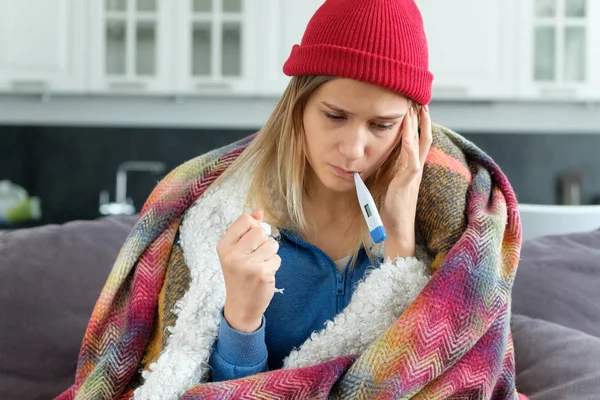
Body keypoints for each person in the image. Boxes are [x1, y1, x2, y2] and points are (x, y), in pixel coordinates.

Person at [58, 1, 527, 399]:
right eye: (335, 115)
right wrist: (242, 318)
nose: (354, 148)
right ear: (297, 108)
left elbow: (419, 380)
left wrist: (401, 243)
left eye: (381, 126)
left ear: (413, 127)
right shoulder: (223, 218)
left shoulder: (448, 227)